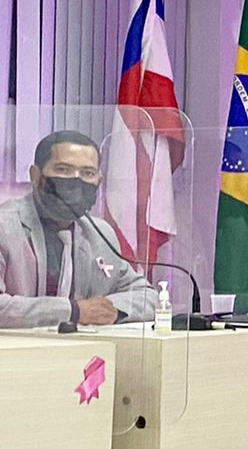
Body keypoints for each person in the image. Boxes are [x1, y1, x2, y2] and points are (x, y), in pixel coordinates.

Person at [0, 131, 156, 328]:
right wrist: (73, 311)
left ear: (99, 182)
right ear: (36, 176)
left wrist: (106, 311)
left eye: (88, 173)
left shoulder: (100, 233)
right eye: (63, 170)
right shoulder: (5, 226)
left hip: (82, 346)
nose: (76, 181)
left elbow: (148, 296)